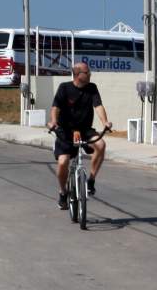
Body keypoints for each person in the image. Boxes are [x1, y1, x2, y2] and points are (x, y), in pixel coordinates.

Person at [48, 61, 112, 208]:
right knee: (63, 162)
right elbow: (55, 107)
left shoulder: (92, 88)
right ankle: (63, 192)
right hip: (65, 131)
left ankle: (91, 180)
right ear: (78, 75)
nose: (90, 74)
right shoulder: (64, 88)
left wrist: (105, 122)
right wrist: (54, 122)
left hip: (85, 130)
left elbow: (98, 106)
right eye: (87, 72)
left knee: (101, 144)